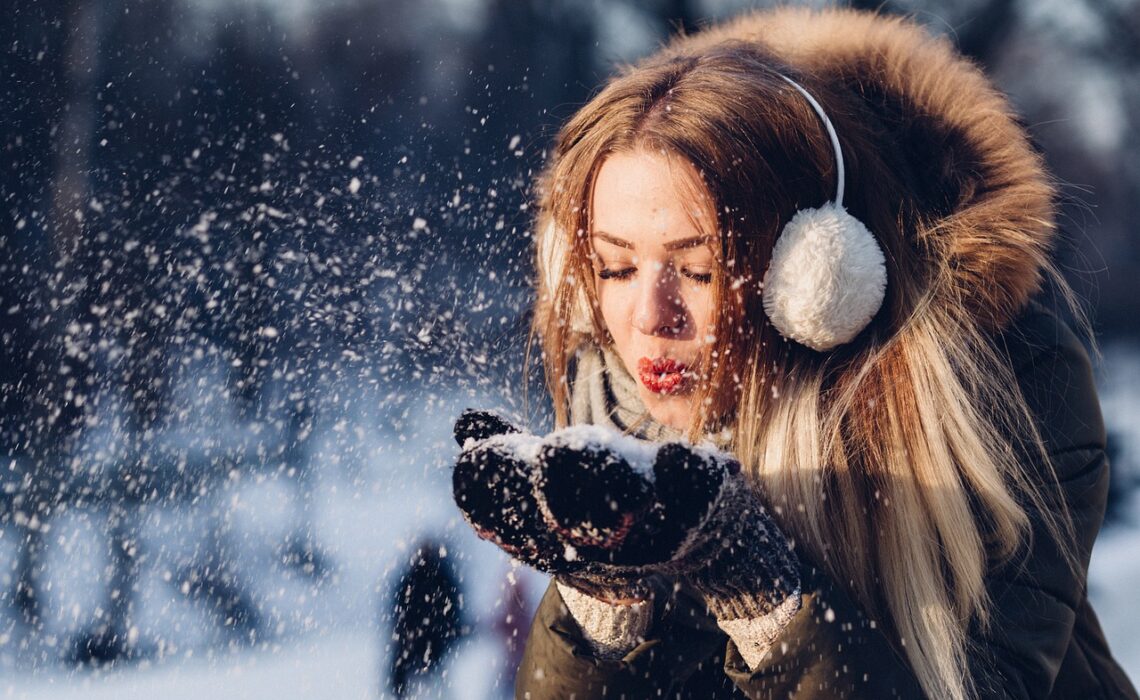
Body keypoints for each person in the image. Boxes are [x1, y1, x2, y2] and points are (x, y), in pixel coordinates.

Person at [450, 7, 1139, 699]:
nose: (650, 320)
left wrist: (768, 605)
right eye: (615, 269)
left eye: (698, 269)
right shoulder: (613, 413)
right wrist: (601, 608)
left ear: (814, 275)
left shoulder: (1002, 387)